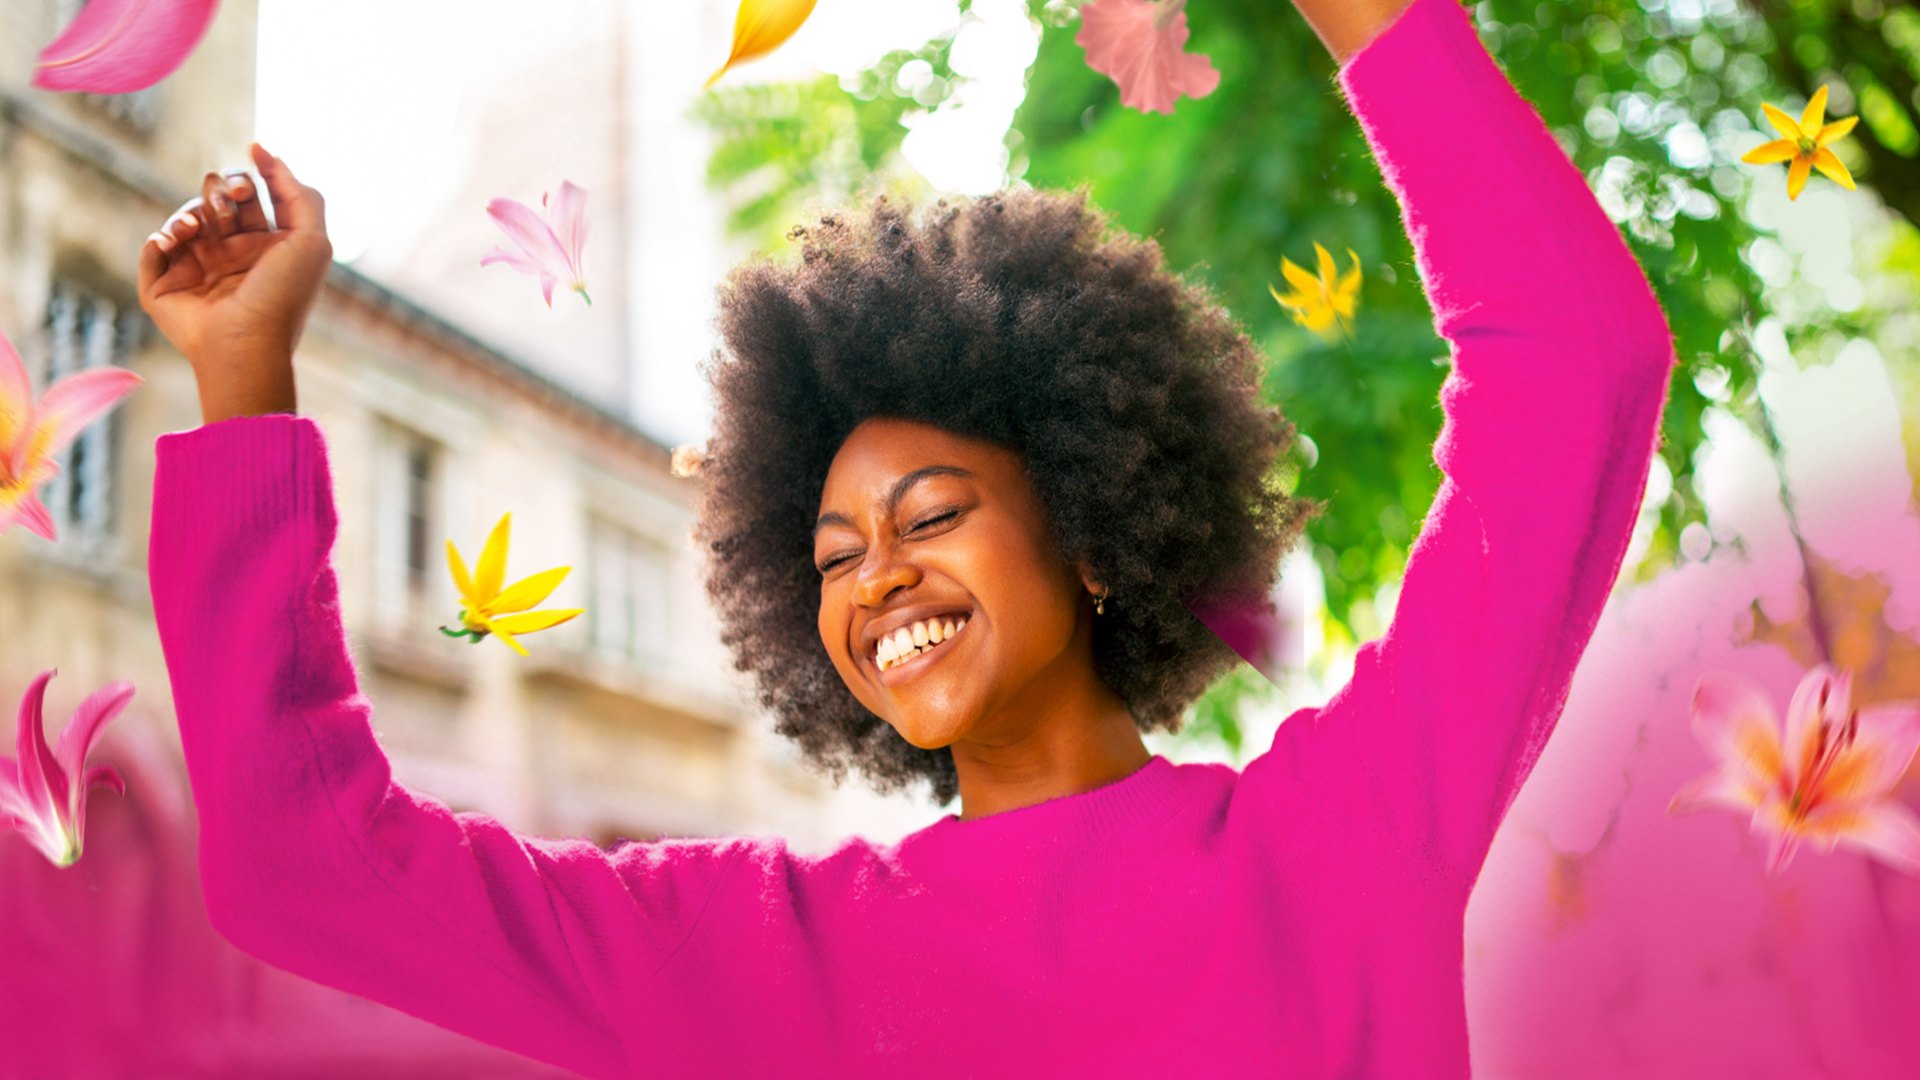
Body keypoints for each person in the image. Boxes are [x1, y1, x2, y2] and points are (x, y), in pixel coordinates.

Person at [138, 0, 1675, 1074]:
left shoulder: (1339, 840)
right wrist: (242, 379)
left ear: (1088, 538)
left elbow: (1581, 368)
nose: (877, 576)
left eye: (933, 514)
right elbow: (303, 871)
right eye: (830, 556)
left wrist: (1370, 18)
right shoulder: (756, 949)